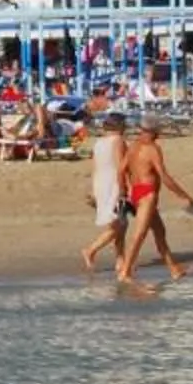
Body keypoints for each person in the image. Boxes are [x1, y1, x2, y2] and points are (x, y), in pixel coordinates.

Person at [116, 121, 193, 284]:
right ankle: (125, 271)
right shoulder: (152, 149)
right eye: (158, 132)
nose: (159, 135)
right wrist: (184, 196)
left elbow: (121, 170)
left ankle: (174, 269)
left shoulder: (133, 146)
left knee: (160, 232)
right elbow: (164, 176)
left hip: (137, 192)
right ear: (153, 132)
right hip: (148, 194)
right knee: (140, 234)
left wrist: (124, 190)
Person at [81, 113, 130, 273]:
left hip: (101, 182)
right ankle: (90, 250)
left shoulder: (99, 142)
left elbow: (95, 167)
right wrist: (123, 188)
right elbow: (119, 166)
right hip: (113, 183)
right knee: (117, 223)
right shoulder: (118, 141)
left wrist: (94, 190)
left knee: (121, 222)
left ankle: (120, 259)